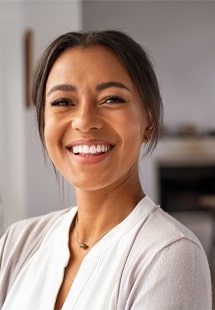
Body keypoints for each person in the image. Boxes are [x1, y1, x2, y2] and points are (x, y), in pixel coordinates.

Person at [0, 30, 212, 309]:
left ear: (148, 121)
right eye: (63, 102)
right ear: (42, 123)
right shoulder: (18, 243)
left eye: (111, 99)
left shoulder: (169, 254)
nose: (85, 122)